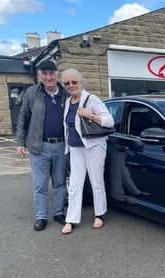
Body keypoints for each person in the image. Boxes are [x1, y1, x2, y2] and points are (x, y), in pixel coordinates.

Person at [16, 60, 69, 231]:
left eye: (51, 73)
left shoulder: (66, 93)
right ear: (39, 76)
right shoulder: (32, 93)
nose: (48, 77)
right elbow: (23, 118)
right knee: (40, 184)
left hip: (62, 145)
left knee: (60, 182)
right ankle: (41, 217)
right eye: (44, 74)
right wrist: (20, 141)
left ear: (57, 74)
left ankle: (59, 212)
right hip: (39, 146)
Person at [60, 68, 114, 235]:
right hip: (76, 147)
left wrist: (90, 115)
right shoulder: (68, 101)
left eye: (74, 82)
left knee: (96, 180)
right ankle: (71, 219)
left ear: (80, 82)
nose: (70, 85)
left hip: (94, 146)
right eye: (67, 83)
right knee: (75, 184)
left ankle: (99, 214)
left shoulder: (92, 99)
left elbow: (109, 120)